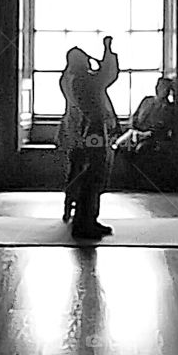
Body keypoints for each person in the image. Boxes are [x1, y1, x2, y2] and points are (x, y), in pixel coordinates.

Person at [69, 36, 120, 241]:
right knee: (95, 172)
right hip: (94, 132)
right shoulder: (83, 80)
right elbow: (106, 76)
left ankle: (90, 219)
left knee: (96, 174)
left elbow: (103, 76)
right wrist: (107, 51)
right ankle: (84, 222)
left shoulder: (81, 79)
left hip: (93, 130)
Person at [57, 47, 92, 222]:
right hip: (81, 127)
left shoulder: (65, 77)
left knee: (73, 167)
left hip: (69, 126)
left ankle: (69, 204)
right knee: (84, 167)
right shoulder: (80, 80)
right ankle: (81, 205)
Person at [112, 76, 175, 153]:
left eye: (166, 87)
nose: (163, 90)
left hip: (151, 137)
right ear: (156, 87)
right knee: (119, 145)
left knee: (141, 148)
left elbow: (164, 127)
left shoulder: (168, 108)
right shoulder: (147, 100)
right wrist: (131, 126)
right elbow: (135, 115)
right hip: (135, 131)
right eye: (161, 86)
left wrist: (145, 133)